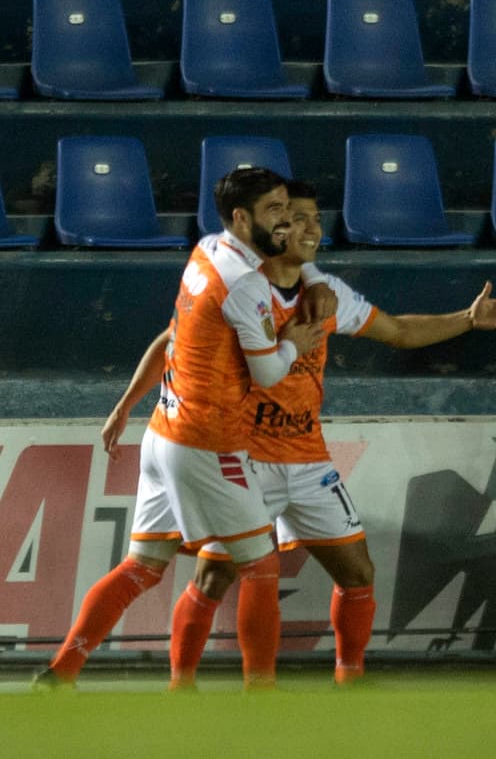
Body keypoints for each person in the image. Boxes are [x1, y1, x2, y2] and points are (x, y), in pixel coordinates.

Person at [94, 182, 496, 689]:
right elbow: (172, 341)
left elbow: (401, 332)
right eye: (295, 218)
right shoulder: (233, 288)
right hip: (243, 459)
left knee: (358, 572)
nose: (309, 228)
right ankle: (181, 683)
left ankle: (350, 677)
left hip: (307, 460)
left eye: (314, 218)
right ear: (269, 229)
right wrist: (127, 403)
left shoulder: (328, 295)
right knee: (212, 579)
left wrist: (467, 321)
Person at [36, 167, 334, 690]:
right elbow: (267, 371)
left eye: (288, 207)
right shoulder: (245, 286)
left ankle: (62, 672)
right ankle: (262, 693)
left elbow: (171, 337)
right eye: (274, 211)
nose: (286, 220)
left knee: (142, 568)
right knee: (261, 565)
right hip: (206, 442)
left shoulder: (205, 253)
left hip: (163, 431)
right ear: (241, 219)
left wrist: (126, 404)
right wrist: (297, 346)